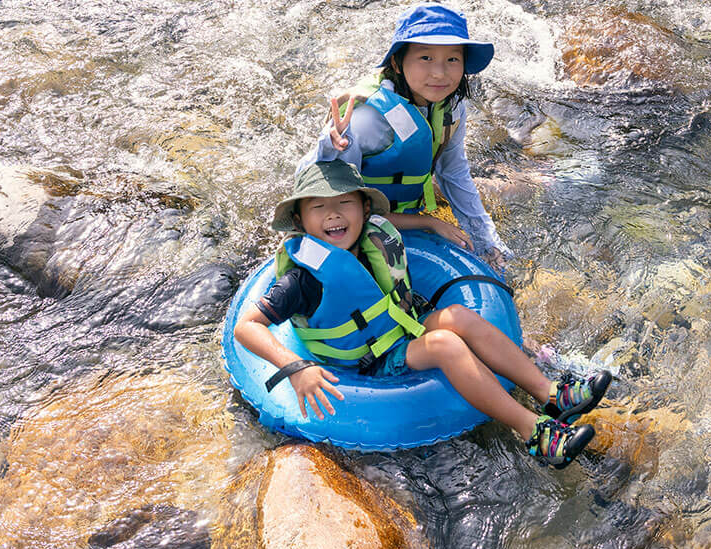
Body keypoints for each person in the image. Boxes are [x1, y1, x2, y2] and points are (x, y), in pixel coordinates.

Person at [234, 160, 612, 469]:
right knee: (445, 344)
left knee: (459, 316)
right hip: (367, 361)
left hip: (397, 327)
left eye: (344, 204)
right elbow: (246, 326)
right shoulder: (301, 278)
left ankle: (551, 394)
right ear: (300, 221)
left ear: (363, 209)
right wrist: (295, 368)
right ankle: (535, 435)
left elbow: (388, 223)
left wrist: (430, 222)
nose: (333, 215)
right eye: (318, 207)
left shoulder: (367, 232)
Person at [304, 2, 510, 271]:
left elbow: (454, 173)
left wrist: (487, 242)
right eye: (426, 58)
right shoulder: (367, 118)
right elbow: (333, 207)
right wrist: (430, 223)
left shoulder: (451, 105)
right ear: (397, 63)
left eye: (452, 59)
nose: (440, 73)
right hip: (353, 218)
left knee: (508, 192)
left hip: (408, 206)